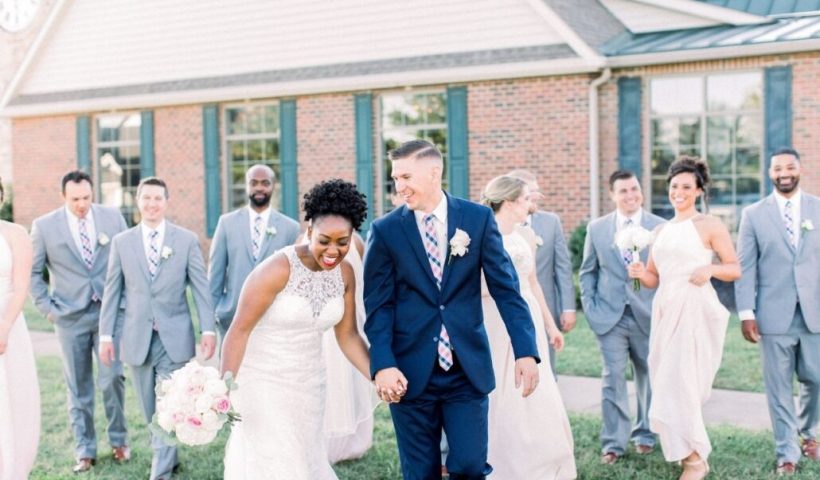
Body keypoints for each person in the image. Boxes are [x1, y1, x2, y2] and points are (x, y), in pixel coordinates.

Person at [364, 139, 540, 480]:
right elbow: (378, 305)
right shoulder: (385, 231)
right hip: (410, 371)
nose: (399, 187)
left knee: (470, 466)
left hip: (466, 369)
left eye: (405, 177)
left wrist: (526, 351)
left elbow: (507, 291)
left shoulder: (476, 219)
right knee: (420, 472)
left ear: (433, 173)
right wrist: (382, 363)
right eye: (395, 178)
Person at [221, 179, 372, 479]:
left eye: (343, 242)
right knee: (279, 465)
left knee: (304, 460)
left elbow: (348, 336)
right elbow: (238, 330)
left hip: (310, 386)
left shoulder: (345, 274)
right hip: (264, 384)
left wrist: (378, 375)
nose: (333, 250)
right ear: (309, 231)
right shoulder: (276, 270)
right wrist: (222, 389)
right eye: (324, 240)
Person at [629, 157, 740, 480]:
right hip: (665, 310)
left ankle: (694, 460)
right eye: (675, 186)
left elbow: (734, 268)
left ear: (699, 191)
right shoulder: (660, 230)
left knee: (682, 383)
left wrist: (710, 269)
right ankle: (688, 451)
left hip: (694, 310)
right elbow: (652, 278)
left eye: (686, 187)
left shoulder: (710, 226)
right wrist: (637, 274)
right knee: (666, 381)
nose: (679, 192)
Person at [99, 177, 216, 480]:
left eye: (157, 199)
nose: (152, 204)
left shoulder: (185, 240)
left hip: (174, 337)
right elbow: (112, 292)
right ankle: (168, 455)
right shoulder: (122, 243)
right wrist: (106, 335)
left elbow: (200, 289)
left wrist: (208, 330)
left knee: (169, 405)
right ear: (138, 201)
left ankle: (160, 471)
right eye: (146, 198)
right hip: (136, 337)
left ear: (166, 202)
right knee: (149, 407)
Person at [29, 170, 130, 473]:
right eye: (75, 199)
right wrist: (48, 309)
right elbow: (34, 274)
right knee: (78, 386)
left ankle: (119, 441)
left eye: (86, 198)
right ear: (63, 197)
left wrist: (125, 303)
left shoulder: (112, 218)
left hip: (108, 315)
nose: (82, 204)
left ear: (92, 193)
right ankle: (84, 449)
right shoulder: (44, 227)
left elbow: (128, 260)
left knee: (112, 378)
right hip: (68, 318)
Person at [480, 175, 576, 479]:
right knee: (503, 388)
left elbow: (533, 282)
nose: (530, 206)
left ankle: (539, 456)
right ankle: (503, 460)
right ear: (508, 202)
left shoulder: (524, 237)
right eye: (525, 200)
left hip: (529, 319)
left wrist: (550, 326)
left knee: (537, 386)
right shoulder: (482, 234)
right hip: (495, 320)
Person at [735, 147, 820, 476]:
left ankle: (808, 434)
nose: (784, 173)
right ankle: (787, 450)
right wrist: (746, 312)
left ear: (800, 169)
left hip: (815, 312)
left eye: (790, 167)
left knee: (816, 378)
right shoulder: (753, 215)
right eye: (777, 168)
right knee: (779, 385)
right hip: (772, 314)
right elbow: (746, 267)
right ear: (769, 173)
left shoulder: (818, 208)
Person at [579, 170, 664, 464]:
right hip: (610, 316)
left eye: (634, 189)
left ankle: (646, 434)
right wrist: (590, 307)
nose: (630, 195)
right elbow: (587, 271)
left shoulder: (659, 227)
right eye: (623, 191)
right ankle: (613, 443)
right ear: (612, 195)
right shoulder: (597, 228)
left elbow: (666, 273)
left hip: (648, 314)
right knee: (612, 377)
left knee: (649, 375)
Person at [209, 164, 300, 338]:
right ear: (247, 186)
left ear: (273, 186)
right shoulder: (226, 224)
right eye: (254, 182)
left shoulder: (290, 228)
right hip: (232, 319)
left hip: (275, 321)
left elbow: (294, 280)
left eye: (265, 183)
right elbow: (215, 277)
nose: (259, 187)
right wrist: (210, 323)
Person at [509, 169, 576, 375]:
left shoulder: (550, 221)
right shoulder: (497, 225)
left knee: (546, 367)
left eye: (538, 191)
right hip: (507, 307)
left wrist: (568, 307)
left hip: (543, 303)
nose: (538, 197)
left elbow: (562, 266)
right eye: (532, 192)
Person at [322, 231, 378, 463]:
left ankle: (353, 439)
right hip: (319, 326)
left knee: (351, 379)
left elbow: (365, 284)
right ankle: (324, 438)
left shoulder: (357, 243)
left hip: (350, 319)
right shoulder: (301, 238)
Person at [0, 180, 40, 480]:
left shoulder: (15, 234)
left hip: (8, 324)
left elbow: (21, 286)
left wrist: (4, 325)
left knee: (12, 399)